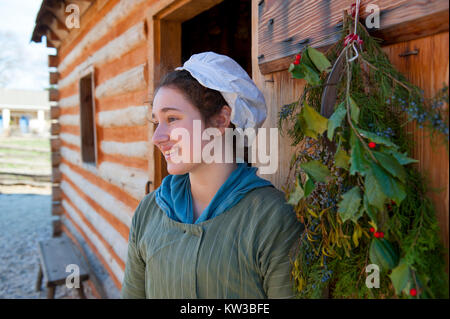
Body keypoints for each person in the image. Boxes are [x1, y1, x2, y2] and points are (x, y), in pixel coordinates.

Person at [121, 52, 304, 299]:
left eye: (171, 119)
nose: (157, 137)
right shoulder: (148, 212)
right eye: (157, 122)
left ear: (220, 120)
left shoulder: (271, 218)